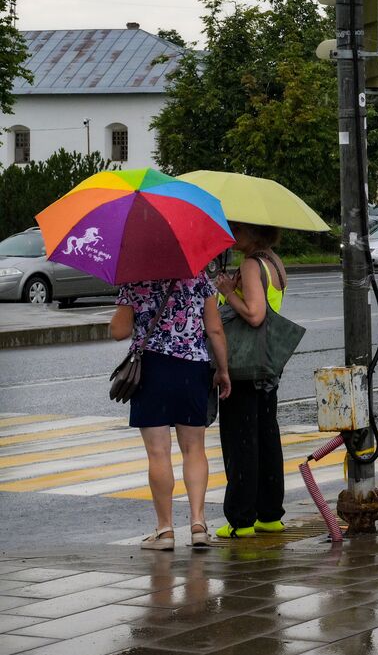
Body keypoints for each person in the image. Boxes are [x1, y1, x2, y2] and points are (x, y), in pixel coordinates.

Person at [112, 270, 230, 551]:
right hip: (192, 367)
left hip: (151, 370)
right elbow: (214, 329)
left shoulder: (134, 278)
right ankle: (199, 524)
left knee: (158, 452)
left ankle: (165, 530)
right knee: (194, 449)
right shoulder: (199, 279)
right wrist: (224, 370)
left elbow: (120, 331)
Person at [214, 222, 290, 538]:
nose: (231, 235)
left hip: (243, 365)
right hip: (266, 362)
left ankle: (241, 520)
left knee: (240, 442)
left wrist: (228, 292)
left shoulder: (249, 264)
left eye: (237, 230)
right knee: (266, 438)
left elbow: (255, 314)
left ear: (253, 233)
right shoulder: (273, 261)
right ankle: (270, 514)